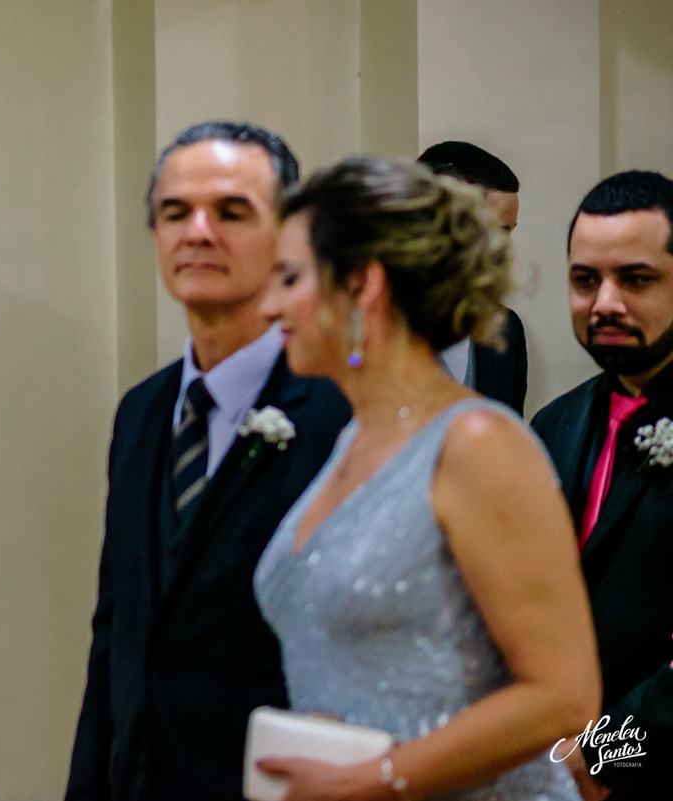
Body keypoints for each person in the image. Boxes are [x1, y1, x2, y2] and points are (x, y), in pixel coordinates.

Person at [253, 157, 600, 799]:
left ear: (364, 285)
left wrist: (374, 781)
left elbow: (564, 699)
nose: (269, 303)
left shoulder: (478, 443)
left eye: (290, 277)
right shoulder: (355, 440)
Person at [65, 122, 350, 801]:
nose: (197, 232)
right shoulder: (143, 409)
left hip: (275, 778)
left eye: (230, 212)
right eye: (174, 213)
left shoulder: (340, 411)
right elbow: (119, 628)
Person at [531, 169, 673, 800]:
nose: (604, 303)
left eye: (635, 279)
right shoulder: (555, 422)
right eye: (584, 280)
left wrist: (601, 753)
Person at [418, 140, 528, 413]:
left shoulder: (506, 331)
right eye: (494, 231)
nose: (505, 250)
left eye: (509, 232)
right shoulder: (365, 330)